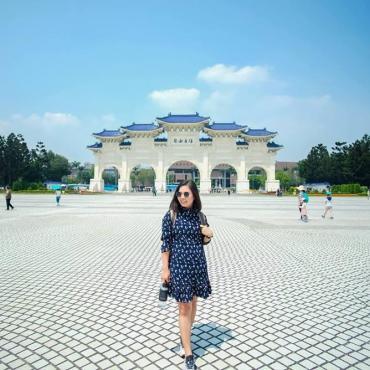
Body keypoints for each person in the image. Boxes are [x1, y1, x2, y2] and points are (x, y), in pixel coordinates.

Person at [160, 180, 213, 370]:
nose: (182, 197)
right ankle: (189, 353)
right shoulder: (171, 216)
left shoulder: (200, 216)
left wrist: (209, 233)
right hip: (179, 267)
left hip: (197, 266)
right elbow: (165, 244)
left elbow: (204, 240)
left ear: (194, 196)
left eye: (186, 194)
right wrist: (165, 269)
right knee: (184, 308)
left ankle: (184, 338)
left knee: (192, 304)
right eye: (179, 194)